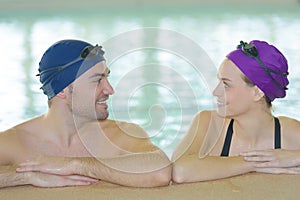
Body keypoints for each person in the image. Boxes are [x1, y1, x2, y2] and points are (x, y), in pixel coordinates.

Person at [0, 39, 171, 188]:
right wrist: (25, 176)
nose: (110, 89)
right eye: (97, 80)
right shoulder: (15, 141)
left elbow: (161, 172)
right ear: (62, 91)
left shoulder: (121, 135)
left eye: (107, 77)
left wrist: (75, 165)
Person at [172, 40, 300, 183]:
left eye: (226, 85)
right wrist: (256, 163)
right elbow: (179, 170)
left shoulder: (289, 132)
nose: (215, 92)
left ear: (257, 93)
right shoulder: (209, 124)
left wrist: (295, 156)